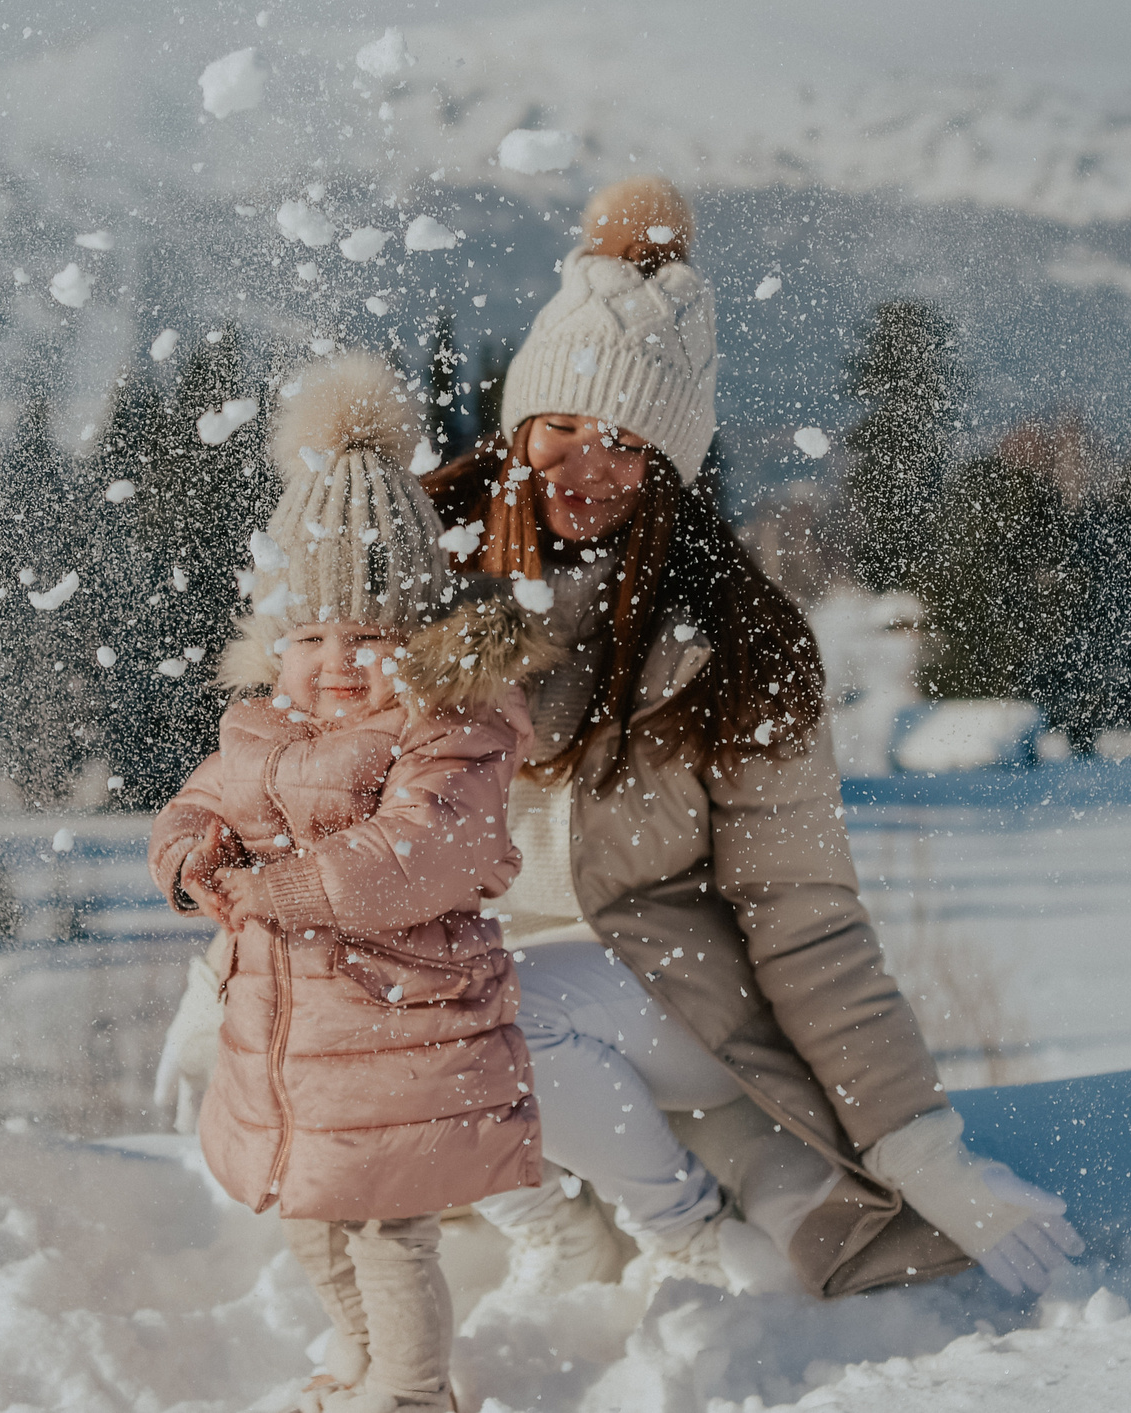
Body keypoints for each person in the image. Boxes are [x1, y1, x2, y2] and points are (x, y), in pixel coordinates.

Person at [428, 175, 1085, 1302]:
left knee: (474, 1008)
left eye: (628, 445)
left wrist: (918, 1142)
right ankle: (570, 1177)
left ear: (671, 471)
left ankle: (651, 1222)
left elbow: (805, 910)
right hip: (492, 995)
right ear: (517, 426)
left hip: (663, 993)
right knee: (405, 1005)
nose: (587, 467)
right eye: (563, 430)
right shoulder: (428, 583)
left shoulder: (734, 642)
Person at [150, 355, 549, 1412]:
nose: (337, 660)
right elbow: (204, 800)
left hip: (394, 1018)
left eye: (370, 635)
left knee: (385, 1230)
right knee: (310, 1218)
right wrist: (190, 848)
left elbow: (425, 849)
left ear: (417, 637)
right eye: (311, 634)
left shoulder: (449, 728)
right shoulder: (261, 725)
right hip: (287, 1033)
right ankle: (365, 1363)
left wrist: (282, 890)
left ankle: (413, 1391)